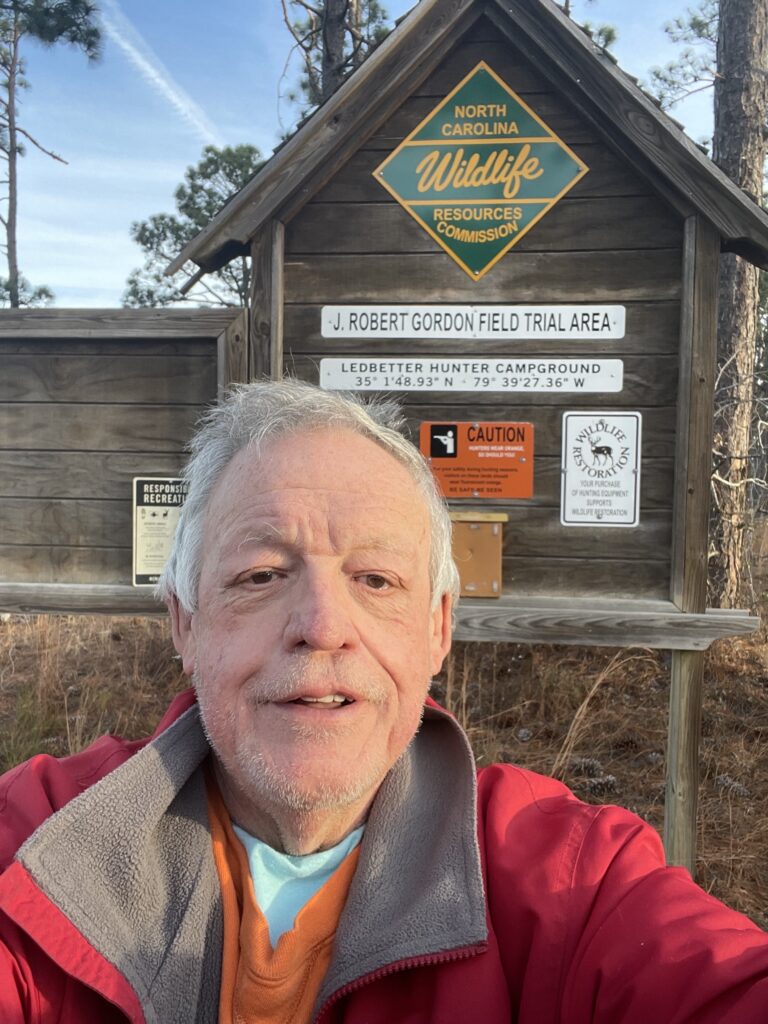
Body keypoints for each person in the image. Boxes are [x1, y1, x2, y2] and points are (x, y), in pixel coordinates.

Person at [1, 378, 767, 1024]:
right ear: (186, 623)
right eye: (261, 575)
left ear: (437, 629)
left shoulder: (574, 883)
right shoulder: (37, 851)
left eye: (376, 580)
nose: (322, 626)